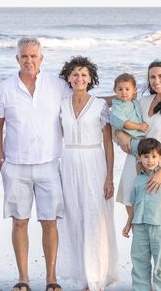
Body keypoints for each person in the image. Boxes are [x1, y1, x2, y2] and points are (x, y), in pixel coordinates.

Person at [0, 37, 71, 291]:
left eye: (33, 56)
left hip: (49, 164)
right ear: (17, 58)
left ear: (41, 58)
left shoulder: (57, 85)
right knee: (19, 221)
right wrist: (1, 160)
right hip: (15, 165)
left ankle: (51, 279)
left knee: (50, 221)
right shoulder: (4, 88)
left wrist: (122, 99)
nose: (29, 60)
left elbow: (82, 101)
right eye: (24, 56)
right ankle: (23, 279)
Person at [56, 56, 118, 290]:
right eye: (75, 74)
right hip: (69, 161)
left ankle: (97, 277)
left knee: (95, 218)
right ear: (68, 78)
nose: (79, 78)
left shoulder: (100, 106)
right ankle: (82, 276)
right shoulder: (61, 104)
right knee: (74, 216)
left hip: (94, 161)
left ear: (90, 78)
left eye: (83, 74)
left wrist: (110, 177)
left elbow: (109, 144)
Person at [114, 59, 161, 212]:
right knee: (135, 221)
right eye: (152, 77)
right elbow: (119, 118)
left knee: (156, 221)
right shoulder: (142, 102)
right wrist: (120, 135)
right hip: (132, 164)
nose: (156, 81)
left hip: (158, 168)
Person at [121, 138, 161, 291]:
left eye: (154, 156)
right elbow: (134, 204)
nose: (150, 160)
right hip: (140, 227)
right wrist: (128, 223)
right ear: (139, 158)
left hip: (160, 227)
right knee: (139, 262)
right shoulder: (137, 180)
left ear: (160, 157)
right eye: (146, 156)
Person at [110, 73, 148, 157]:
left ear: (134, 90)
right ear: (115, 90)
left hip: (138, 137)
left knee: (144, 155)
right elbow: (124, 123)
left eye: (127, 89)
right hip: (129, 139)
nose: (124, 92)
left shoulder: (133, 101)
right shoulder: (118, 106)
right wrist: (139, 126)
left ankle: (141, 166)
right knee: (145, 152)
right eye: (120, 89)